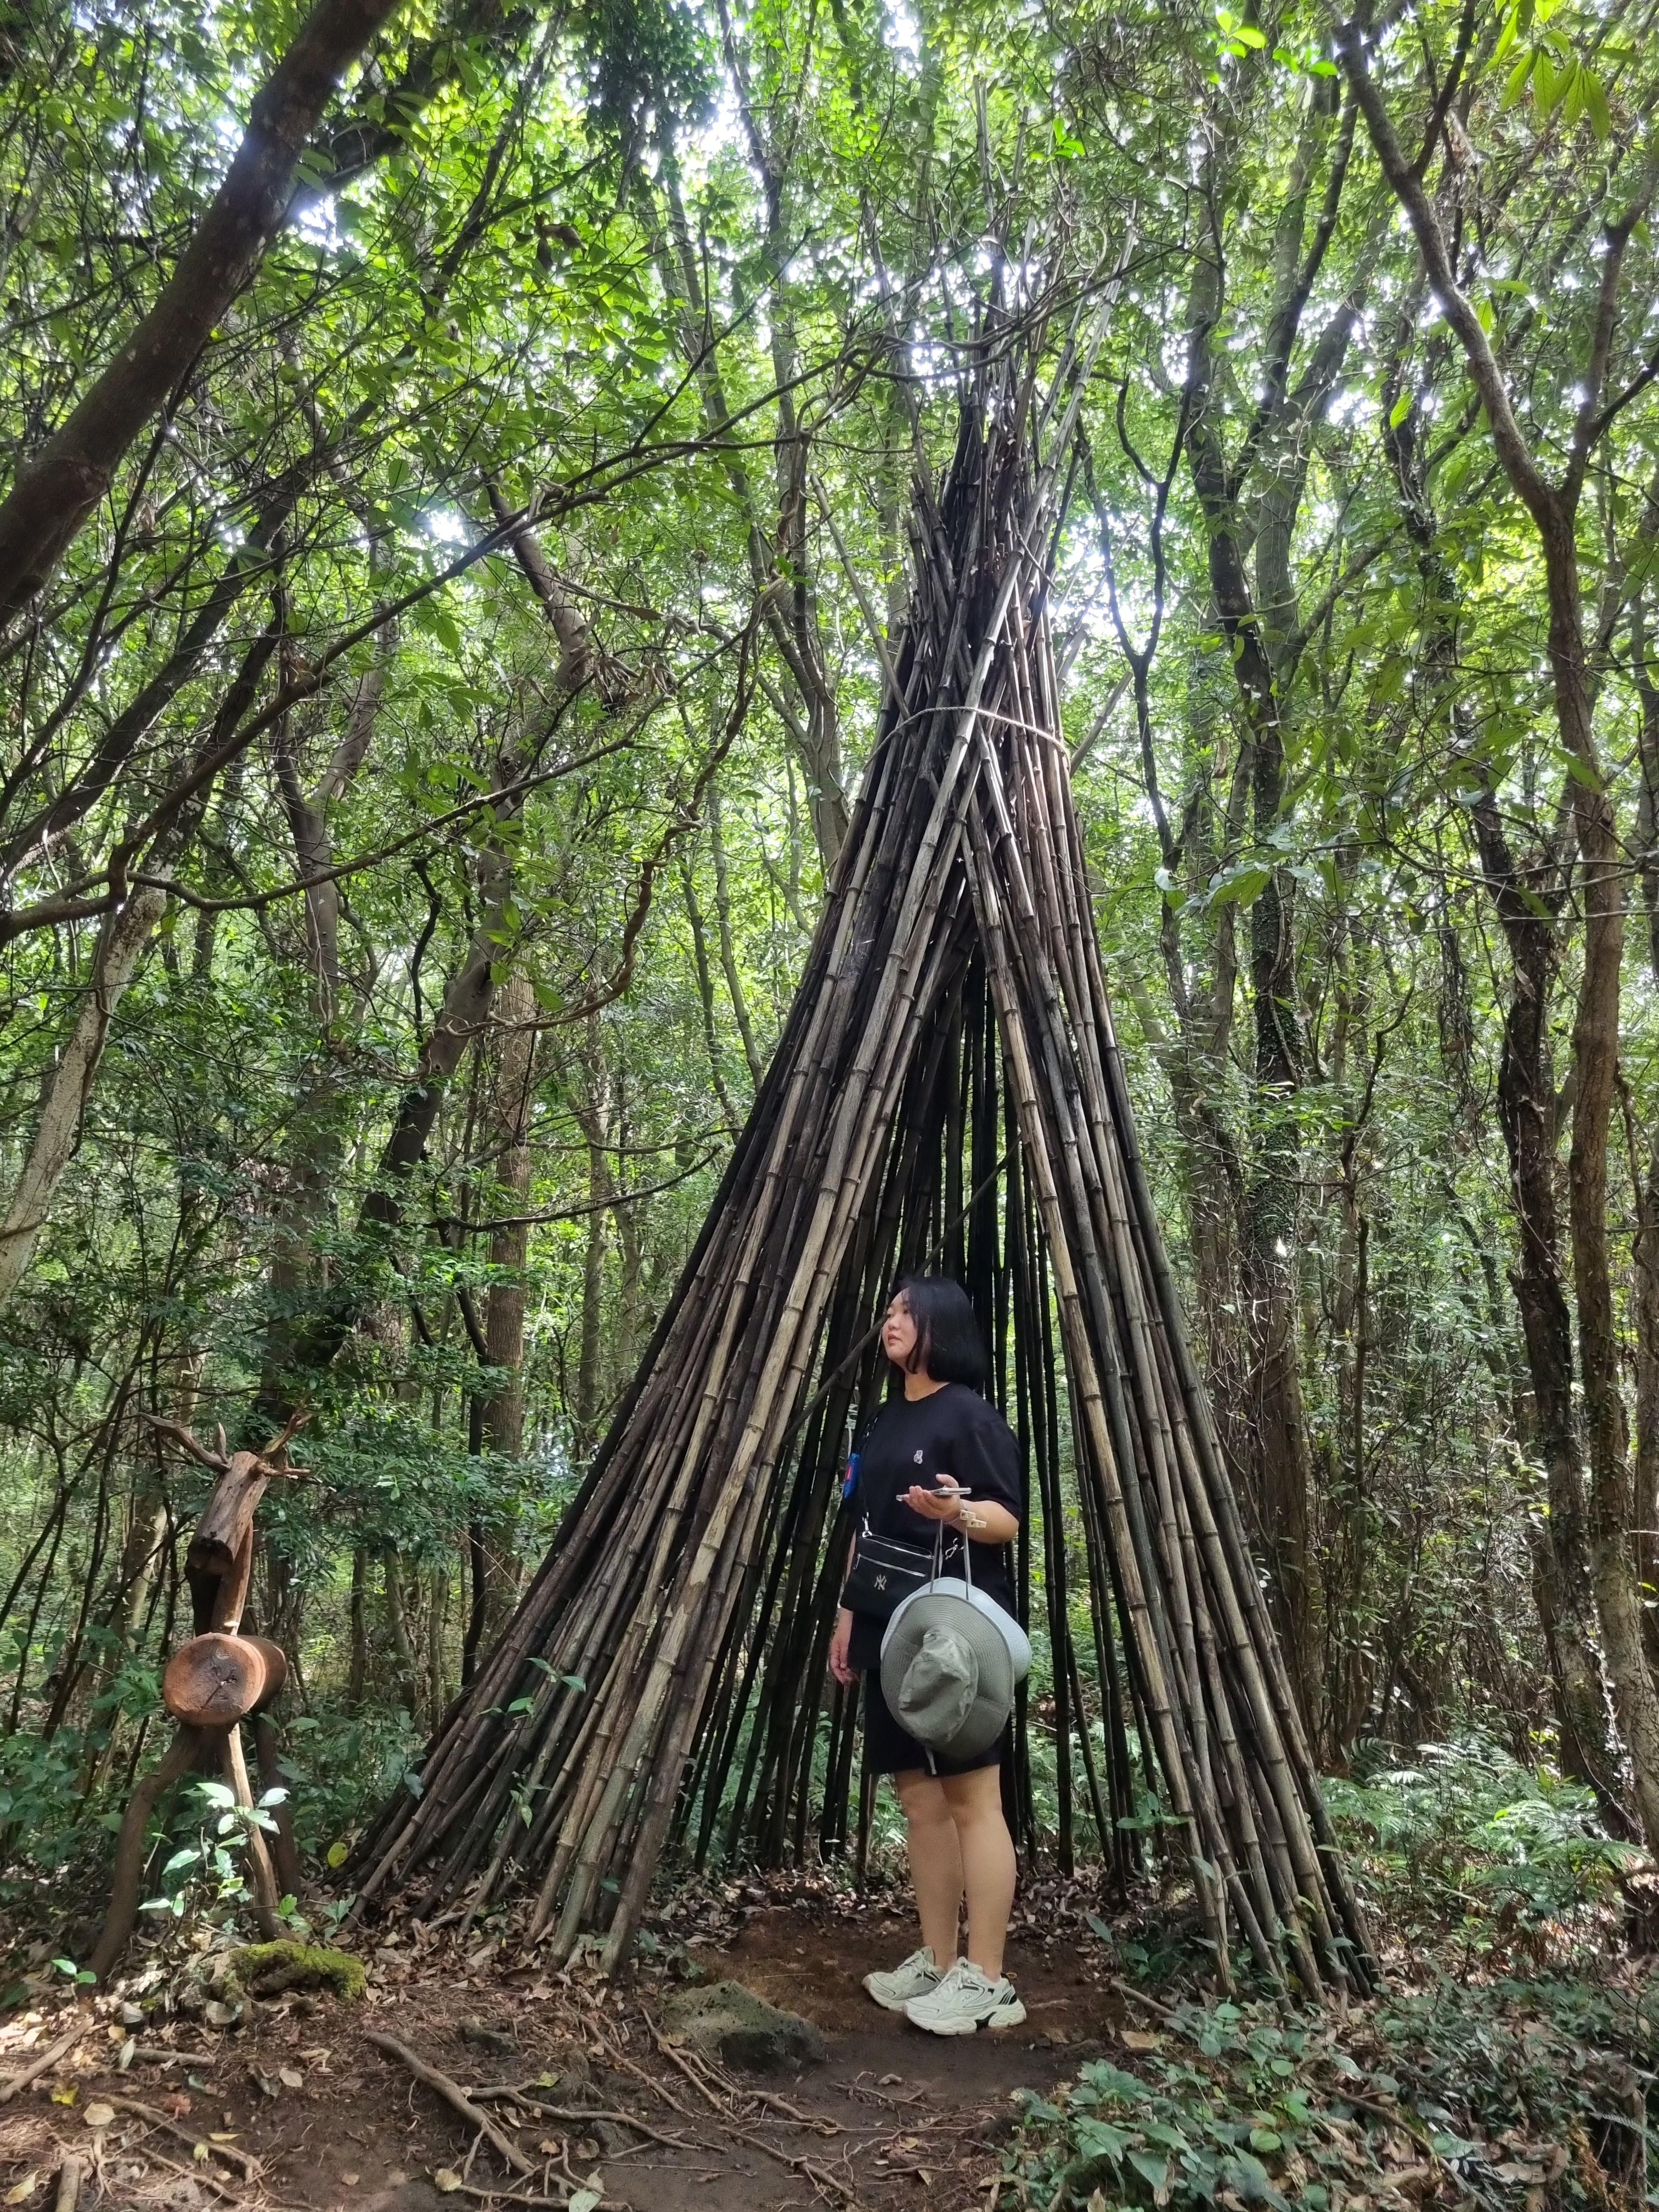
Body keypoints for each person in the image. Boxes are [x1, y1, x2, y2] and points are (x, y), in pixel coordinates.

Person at [830, 1274, 1026, 2035]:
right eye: (887, 1311)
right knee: (918, 1798)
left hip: (955, 1632)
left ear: (942, 1324)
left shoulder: (970, 1419)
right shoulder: (883, 1419)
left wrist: (956, 1512)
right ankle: (940, 1961)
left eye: (906, 1311)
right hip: (891, 1623)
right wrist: (848, 1611)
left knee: (973, 1798)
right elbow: (864, 1522)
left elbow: (1008, 1520)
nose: (892, 1321)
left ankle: (988, 1978)